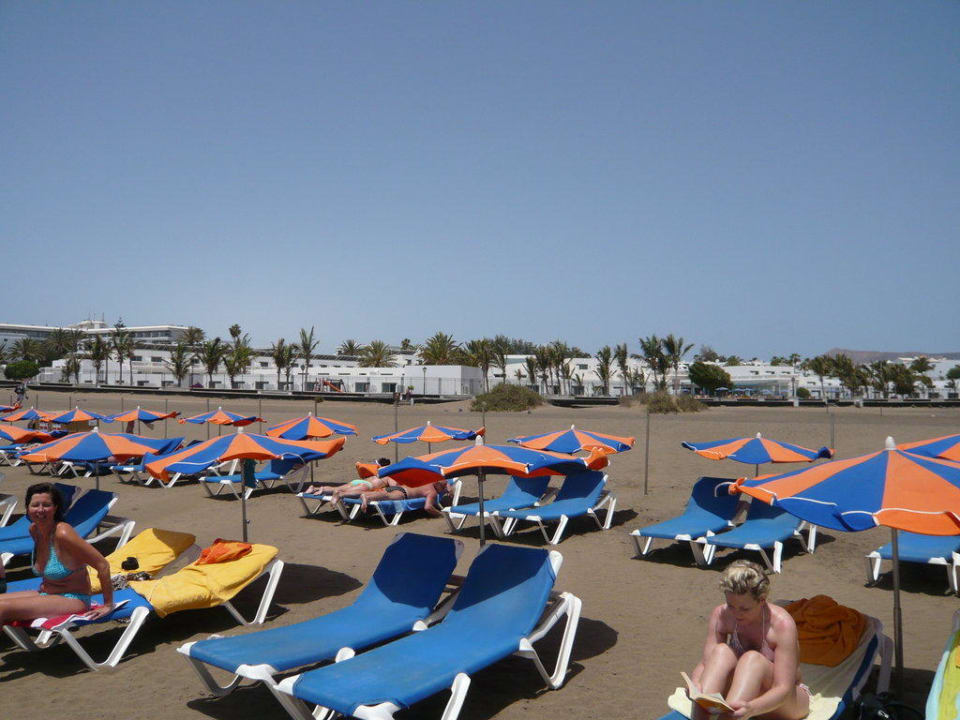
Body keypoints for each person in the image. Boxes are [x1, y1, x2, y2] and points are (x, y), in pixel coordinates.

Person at [688, 560, 809, 720]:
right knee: (721, 652)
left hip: (784, 699)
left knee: (752, 660)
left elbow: (783, 689)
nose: (737, 614)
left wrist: (752, 708)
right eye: (731, 605)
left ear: (762, 600)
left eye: (745, 609)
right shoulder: (722, 614)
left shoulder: (781, 625)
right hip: (741, 694)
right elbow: (706, 663)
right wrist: (696, 684)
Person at [0, 483, 115, 622]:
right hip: (46, 594)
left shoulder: (63, 533)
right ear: (28, 508)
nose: (40, 510)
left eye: (46, 505)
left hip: (73, 599)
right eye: (35, 505)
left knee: (2, 607)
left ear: (55, 508)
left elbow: (102, 565)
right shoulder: (34, 530)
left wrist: (108, 604)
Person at [303, 458, 396, 497]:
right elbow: (395, 488)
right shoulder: (388, 475)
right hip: (367, 485)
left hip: (358, 481)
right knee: (342, 492)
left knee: (336, 488)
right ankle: (337, 495)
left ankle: (316, 488)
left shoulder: (376, 473)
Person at [359, 479, 450, 517]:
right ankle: (366, 496)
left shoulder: (426, 480)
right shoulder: (432, 492)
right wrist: (440, 514)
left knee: (384, 494)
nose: (442, 490)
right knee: (387, 496)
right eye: (442, 488)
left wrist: (448, 489)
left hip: (397, 487)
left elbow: (445, 483)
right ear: (439, 486)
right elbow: (428, 507)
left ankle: (366, 495)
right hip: (403, 493)